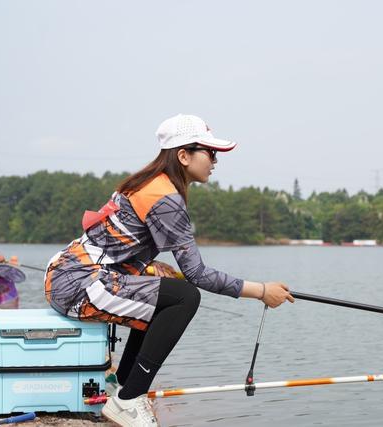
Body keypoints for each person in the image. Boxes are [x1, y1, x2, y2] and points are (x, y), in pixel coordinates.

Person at [44, 114, 294, 427]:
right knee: (184, 298)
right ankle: (129, 399)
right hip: (78, 286)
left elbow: (110, 245)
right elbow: (197, 274)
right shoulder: (165, 198)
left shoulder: (148, 184)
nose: (215, 161)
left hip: (65, 275)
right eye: (210, 153)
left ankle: (120, 386)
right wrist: (261, 291)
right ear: (184, 155)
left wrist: (148, 265)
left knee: (166, 293)